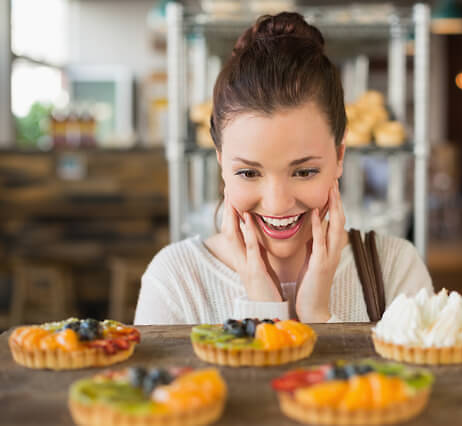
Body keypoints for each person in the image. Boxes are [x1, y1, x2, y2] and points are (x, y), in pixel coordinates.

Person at [134, 12, 433, 325]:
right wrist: (262, 316)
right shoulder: (175, 281)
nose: (277, 203)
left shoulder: (395, 269)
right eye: (249, 173)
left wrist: (319, 317)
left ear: (340, 155)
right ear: (222, 163)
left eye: (304, 172)